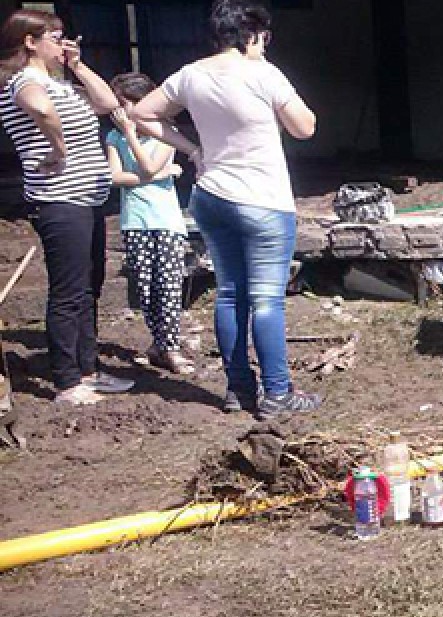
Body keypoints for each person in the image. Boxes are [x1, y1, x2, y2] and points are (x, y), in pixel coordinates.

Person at [133, 0, 319, 419]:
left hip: (211, 195)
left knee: (230, 294)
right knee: (267, 300)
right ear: (253, 35)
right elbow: (305, 128)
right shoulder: (262, 73)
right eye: (264, 39)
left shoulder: (190, 74)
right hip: (263, 199)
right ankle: (277, 392)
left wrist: (192, 148)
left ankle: (239, 390)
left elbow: (142, 113)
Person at [0, 9, 134, 405]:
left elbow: (110, 103)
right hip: (60, 199)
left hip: (87, 198)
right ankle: (67, 380)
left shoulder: (60, 82)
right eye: (56, 37)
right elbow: (40, 111)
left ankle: (89, 369)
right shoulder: (24, 80)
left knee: (88, 287)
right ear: (30, 41)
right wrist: (58, 149)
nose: (63, 44)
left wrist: (78, 66)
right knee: (68, 291)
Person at [105, 72, 194, 375]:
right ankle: (159, 343)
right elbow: (115, 177)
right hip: (134, 221)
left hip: (166, 220)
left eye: (124, 103)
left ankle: (169, 348)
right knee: (145, 289)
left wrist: (132, 135)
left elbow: (147, 164)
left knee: (168, 287)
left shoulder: (164, 132)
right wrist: (159, 175)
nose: (120, 111)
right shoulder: (113, 138)